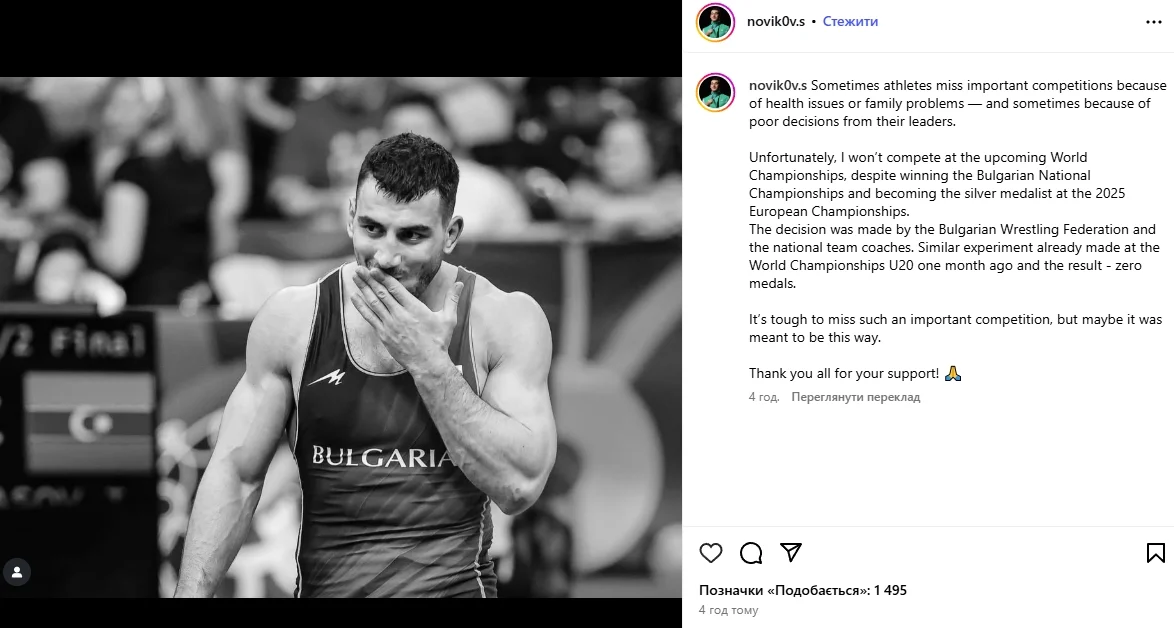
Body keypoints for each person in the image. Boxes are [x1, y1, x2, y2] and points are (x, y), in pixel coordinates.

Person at [174, 132, 558, 598]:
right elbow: (237, 475)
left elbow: (518, 486)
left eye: (412, 235)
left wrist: (429, 364)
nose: (386, 257)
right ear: (350, 216)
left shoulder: (502, 320)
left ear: (451, 234)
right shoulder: (294, 320)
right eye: (372, 229)